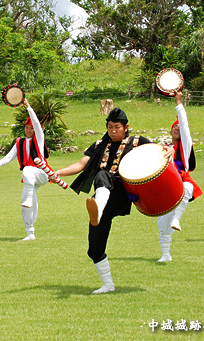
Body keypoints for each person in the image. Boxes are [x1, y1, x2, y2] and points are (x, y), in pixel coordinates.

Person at [54, 108, 173, 294]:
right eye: (110, 127)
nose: (113, 130)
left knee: (103, 175)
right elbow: (80, 164)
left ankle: (99, 208)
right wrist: (58, 172)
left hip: (123, 194)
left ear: (126, 127)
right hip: (102, 200)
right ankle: (108, 285)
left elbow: (158, 151)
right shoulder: (99, 144)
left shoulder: (137, 142)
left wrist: (169, 148)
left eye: (117, 127)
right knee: (94, 248)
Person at [0, 98, 48, 241]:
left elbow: (36, 122)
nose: (28, 130)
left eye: (31, 128)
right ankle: (30, 233)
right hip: (29, 178)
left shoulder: (39, 139)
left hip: (41, 173)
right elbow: (8, 157)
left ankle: (29, 196)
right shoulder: (19, 142)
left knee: (27, 169)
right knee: (25, 204)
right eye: (26, 128)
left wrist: (28, 106)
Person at [155, 91, 202, 262]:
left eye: (178, 127)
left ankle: (177, 218)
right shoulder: (163, 148)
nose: (177, 128)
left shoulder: (186, 146)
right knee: (162, 223)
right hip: (166, 187)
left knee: (188, 188)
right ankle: (166, 255)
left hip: (182, 181)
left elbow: (185, 125)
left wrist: (178, 103)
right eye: (173, 127)